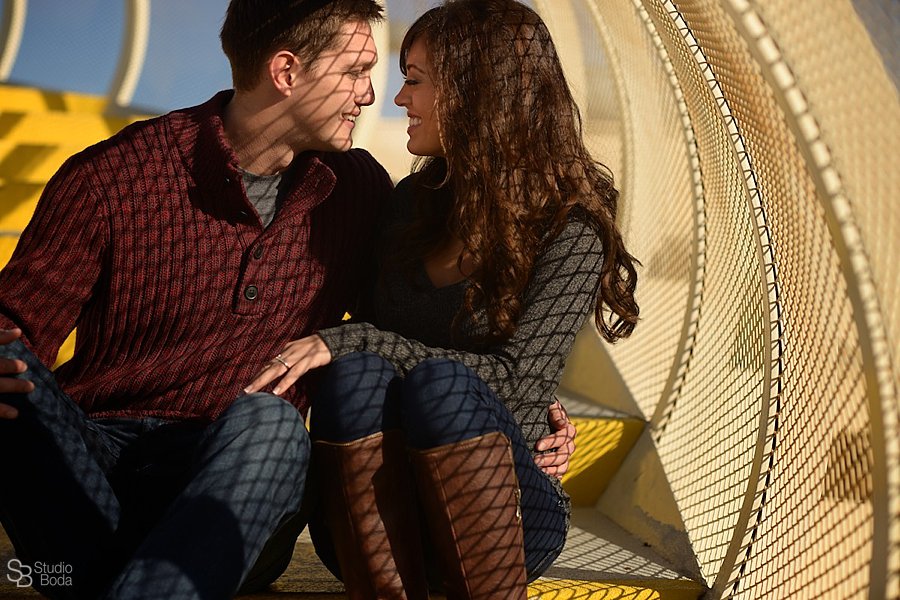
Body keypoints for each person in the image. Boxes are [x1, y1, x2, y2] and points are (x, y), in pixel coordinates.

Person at [0, 0, 575, 597]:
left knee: (271, 423)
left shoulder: (357, 193)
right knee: (14, 378)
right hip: (92, 471)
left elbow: (407, 334)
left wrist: (527, 401)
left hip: (243, 486)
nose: (370, 95)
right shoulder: (111, 176)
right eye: (356, 72)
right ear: (286, 73)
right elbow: (16, 323)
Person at [244, 0, 640, 598]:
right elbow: (362, 349)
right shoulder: (407, 204)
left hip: (499, 515)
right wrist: (353, 346)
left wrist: (355, 339)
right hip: (372, 515)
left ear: (477, 89)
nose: (398, 99)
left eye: (415, 80)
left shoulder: (571, 224)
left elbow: (517, 383)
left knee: (437, 388)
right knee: (353, 378)